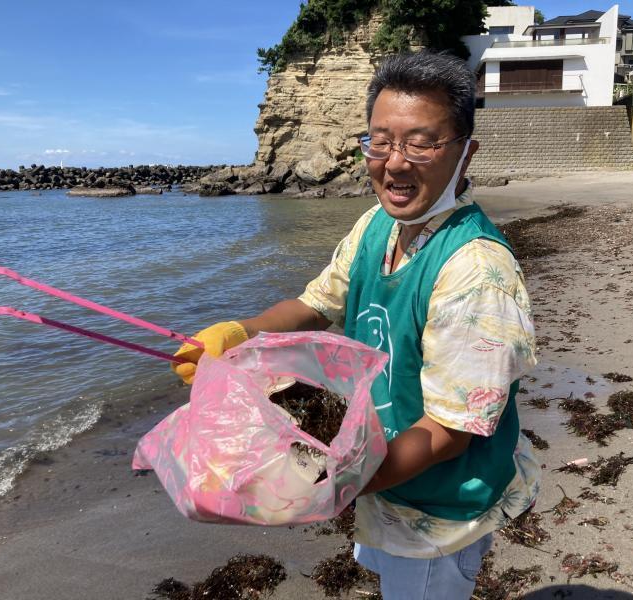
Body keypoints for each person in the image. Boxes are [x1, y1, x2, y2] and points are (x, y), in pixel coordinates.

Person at [172, 51, 541, 600]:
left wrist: (325, 485)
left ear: (465, 153)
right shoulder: (377, 225)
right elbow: (316, 304)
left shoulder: (477, 274)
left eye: (421, 142)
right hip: (381, 472)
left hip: (436, 508)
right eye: (380, 140)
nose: (395, 163)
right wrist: (239, 334)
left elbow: (449, 431)